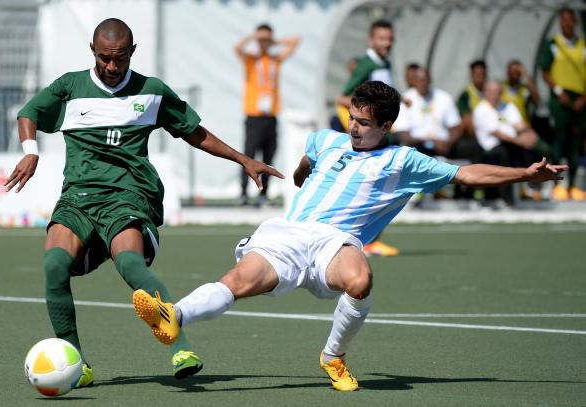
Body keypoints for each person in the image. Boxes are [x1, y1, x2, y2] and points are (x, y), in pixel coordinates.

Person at [132, 81, 566, 392]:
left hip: (335, 242)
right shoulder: (329, 139)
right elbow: (309, 155)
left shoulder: (404, 160)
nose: (354, 128)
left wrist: (525, 173)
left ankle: (332, 357)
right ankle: (174, 317)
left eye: (364, 123)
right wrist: (302, 172)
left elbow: (467, 171)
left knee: (360, 279)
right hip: (286, 234)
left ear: (387, 125)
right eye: (352, 119)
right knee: (239, 282)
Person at [4, 18, 283, 387]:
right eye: (105, 58)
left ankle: (180, 347)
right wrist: (30, 152)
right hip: (79, 198)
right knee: (54, 265)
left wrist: (243, 159)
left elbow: (193, 133)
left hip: (128, 196)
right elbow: (30, 113)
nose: (112, 66)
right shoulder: (71, 87)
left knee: (131, 264)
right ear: (93, 51)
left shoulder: (151, 91)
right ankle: (77, 363)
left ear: (132, 52)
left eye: (120, 58)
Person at [336, 19, 399, 257]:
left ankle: (369, 239)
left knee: (384, 186)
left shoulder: (385, 63)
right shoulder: (367, 64)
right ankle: (366, 240)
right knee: (373, 187)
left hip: (382, 134)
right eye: (382, 38)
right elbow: (343, 98)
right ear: (371, 40)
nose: (387, 43)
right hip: (372, 140)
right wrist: (361, 126)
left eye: (390, 38)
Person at [235, 23, 300, 207]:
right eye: (261, 39)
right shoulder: (251, 59)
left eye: (266, 39)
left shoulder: (274, 59)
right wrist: (254, 37)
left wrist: (272, 41)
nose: (263, 43)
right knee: (248, 155)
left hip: (271, 116)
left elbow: (295, 42)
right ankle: (243, 192)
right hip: (254, 115)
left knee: (269, 156)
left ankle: (263, 194)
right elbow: (237, 48)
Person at [473, 81, 549, 204]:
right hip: (489, 147)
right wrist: (520, 141)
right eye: (491, 92)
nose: (495, 95)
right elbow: (497, 133)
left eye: (498, 92)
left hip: (511, 143)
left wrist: (530, 133)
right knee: (507, 152)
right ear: (485, 93)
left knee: (537, 148)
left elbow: (519, 125)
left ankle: (535, 187)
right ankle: (507, 198)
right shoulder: (481, 110)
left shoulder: (508, 106)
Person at [540, 7, 586, 201]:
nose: (567, 23)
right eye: (564, 20)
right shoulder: (553, 44)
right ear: (560, 22)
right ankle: (557, 185)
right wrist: (558, 92)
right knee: (559, 140)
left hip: (580, 98)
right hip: (561, 98)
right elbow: (545, 72)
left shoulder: (583, 45)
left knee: (576, 142)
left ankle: (574, 185)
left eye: (570, 20)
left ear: (575, 22)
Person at [393, 67, 462, 158]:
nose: (423, 83)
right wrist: (429, 143)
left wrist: (448, 143)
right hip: (417, 147)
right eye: (420, 80)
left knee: (469, 147)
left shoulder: (444, 97)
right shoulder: (406, 99)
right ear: (414, 81)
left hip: (444, 146)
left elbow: (455, 127)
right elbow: (403, 134)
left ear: (430, 80)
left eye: (425, 80)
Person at [502, 59, 540, 124]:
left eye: (516, 71)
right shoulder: (501, 87)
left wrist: (525, 75)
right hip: (505, 125)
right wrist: (500, 121)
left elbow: (536, 100)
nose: (513, 74)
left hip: (522, 125)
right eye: (511, 71)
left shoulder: (525, 89)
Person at [456, 60, 487, 137]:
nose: (479, 77)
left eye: (481, 74)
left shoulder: (492, 92)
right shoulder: (465, 95)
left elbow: (500, 116)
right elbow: (465, 117)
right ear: (471, 75)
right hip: (476, 129)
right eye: (476, 74)